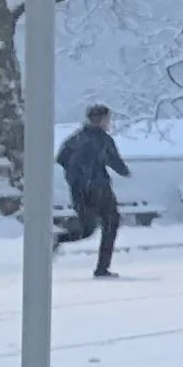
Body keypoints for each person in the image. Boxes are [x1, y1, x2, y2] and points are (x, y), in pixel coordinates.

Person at [54, 104, 130, 278]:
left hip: (78, 189)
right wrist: (125, 172)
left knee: (87, 227)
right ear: (102, 120)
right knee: (111, 223)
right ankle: (102, 268)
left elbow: (61, 159)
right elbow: (116, 163)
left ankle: (59, 239)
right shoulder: (103, 140)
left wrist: (76, 176)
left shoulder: (75, 139)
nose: (108, 123)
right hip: (99, 187)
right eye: (107, 119)